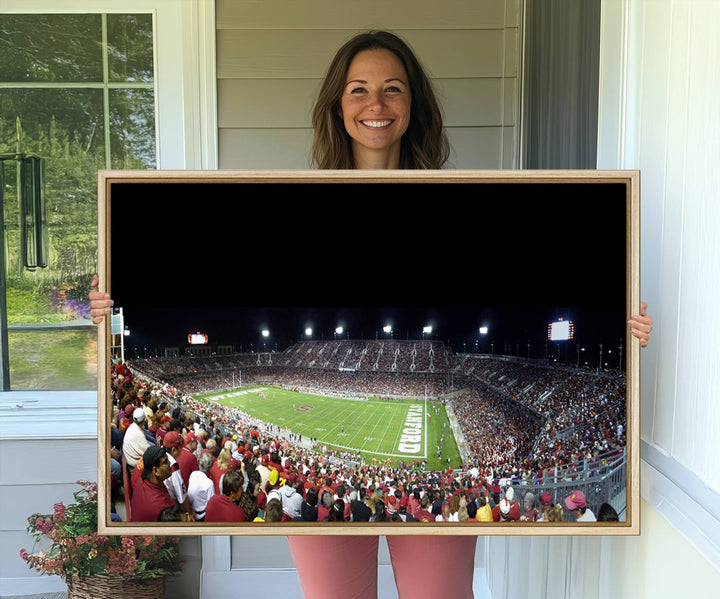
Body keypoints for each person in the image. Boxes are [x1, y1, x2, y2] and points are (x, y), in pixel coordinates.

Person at [90, 29, 654, 599]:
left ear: (414, 105)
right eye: (358, 89)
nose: (375, 105)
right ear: (338, 104)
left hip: (427, 499)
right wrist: (110, 303)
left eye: (393, 89)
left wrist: (626, 330)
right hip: (330, 510)